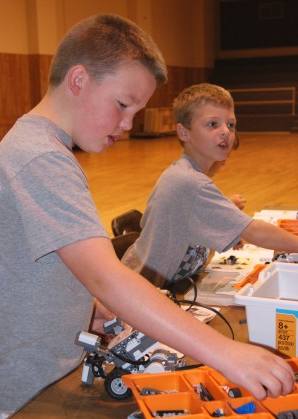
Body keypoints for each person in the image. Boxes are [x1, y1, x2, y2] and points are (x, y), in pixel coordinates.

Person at [0, 17, 295, 419]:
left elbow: (45, 261)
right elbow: (106, 277)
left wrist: (83, 308)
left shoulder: (40, 148)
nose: (129, 123)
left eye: (137, 110)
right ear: (78, 79)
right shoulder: (42, 159)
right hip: (25, 389)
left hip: (40, 369)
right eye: (122, 104)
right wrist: (225, 352)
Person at [122, 82, 298, 289]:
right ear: (184, 132)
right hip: (143, 290)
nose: (225, 132)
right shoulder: (189, 181)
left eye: (230, 125)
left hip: (166, 286)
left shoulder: (187, 173)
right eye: (213, 124)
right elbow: (254, 232)